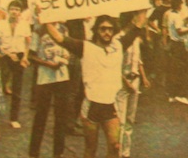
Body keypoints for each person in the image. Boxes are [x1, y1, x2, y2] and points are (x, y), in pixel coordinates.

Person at [46, 15, 136, 158]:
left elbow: (137, 26)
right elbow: (59, 38)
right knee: (90, 149)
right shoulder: (85, 47)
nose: (107, 32)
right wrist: (45, 16)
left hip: (111, 106)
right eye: (103, 29)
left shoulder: (119, 45)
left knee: (115, 147)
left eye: (110, 29)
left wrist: (143, 3)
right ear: (96, 30)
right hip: (91, 107)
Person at [28, 23, 70, 158]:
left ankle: (58, 152)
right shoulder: (39, 30)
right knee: (41, 116)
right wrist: (48, 64)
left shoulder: (63, 29)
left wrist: (65, 58)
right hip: (45, 78)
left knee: (61, 117)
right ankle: (34, 152)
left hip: (62, 77)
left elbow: (68, 50)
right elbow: (31, 56)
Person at [116, 10, 151, 158]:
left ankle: (126, 152)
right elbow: (115, 66)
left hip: (134, 80)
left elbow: (138, 59)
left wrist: (143, 77)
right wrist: (126, 83)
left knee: (130, 119)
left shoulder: (135, 38)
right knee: (121, 120)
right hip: (122, 84)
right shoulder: (118, 38)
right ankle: (117, 151)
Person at [0, 0, 31, 129]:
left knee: (17, 88)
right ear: (8, 10)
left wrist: (25, 57)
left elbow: (27, 41)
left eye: (17, 9)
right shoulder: (1, 24)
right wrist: (9, 54)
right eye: (12, 9)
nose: (14, 12)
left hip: (19, 56)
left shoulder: (24, 24)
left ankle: (14, 118)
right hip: (5, 57)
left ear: (20, 12)